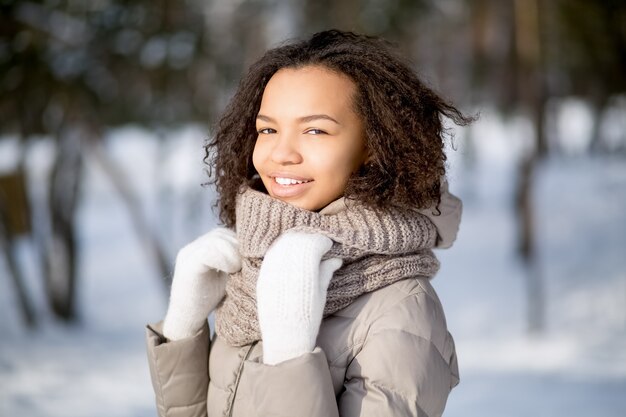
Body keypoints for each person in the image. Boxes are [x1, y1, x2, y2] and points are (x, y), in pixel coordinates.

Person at [145, 29, 472, 417]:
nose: (281, 153)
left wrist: (290, 353)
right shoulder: (250, 276)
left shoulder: (401, 312)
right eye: (267, 129)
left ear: (373, 145)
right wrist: (183, 327)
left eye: (315, 129)